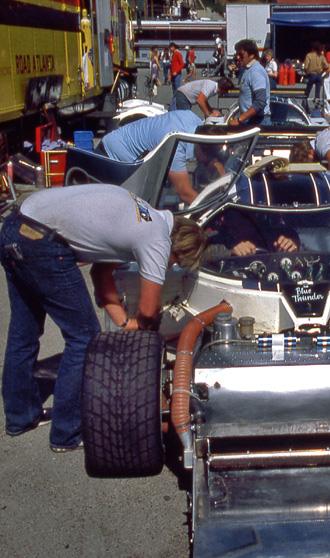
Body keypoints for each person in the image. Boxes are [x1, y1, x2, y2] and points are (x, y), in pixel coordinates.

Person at [0, 184, 206, 451]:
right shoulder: (157, 238)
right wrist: (145, 329)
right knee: (84, 339)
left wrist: (122, 323)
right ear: (176, 248)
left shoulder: (144, 214)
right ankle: (67, 432)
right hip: (43, 243)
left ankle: (20, 418)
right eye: (176, 262)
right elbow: (147, 308)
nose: (171, 266)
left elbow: (100, 274)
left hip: (14, 227)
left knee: (23, 332)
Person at [99, 109, 212, 204]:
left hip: (123, 138)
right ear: (201, 150)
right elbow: (185, 194)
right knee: (133, 204)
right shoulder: (174, 146)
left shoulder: (194, 119)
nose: (212, 161)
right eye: (210, 158)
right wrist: (212, 207)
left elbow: (217, 165)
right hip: (112, 156)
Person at [228, 39, 271, 129]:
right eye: (237, 54)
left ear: (251, 55)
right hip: (249, 120)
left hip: (257, 122)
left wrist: (239, 119)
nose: (238, 57)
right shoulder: (247, 69)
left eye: (241, 55)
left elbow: (260, 102)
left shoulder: (255, 71)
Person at [170, 77, 234, 116]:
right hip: (183, 96)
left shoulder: (213, 87)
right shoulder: (211, 86)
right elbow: (200, 100)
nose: (226, 93)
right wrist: (209, 114)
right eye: (227, 91)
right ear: (223, 88)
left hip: (184, 96)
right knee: (183, 118)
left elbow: (204, 100)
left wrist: (211, 110)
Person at [322, 44, 330, 117]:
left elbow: (329, 68)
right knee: (327, 92)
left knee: (327, 93)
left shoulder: (328, 55)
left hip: (327, 74)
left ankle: (328, 110)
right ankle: (327, 109)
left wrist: (323, 75)